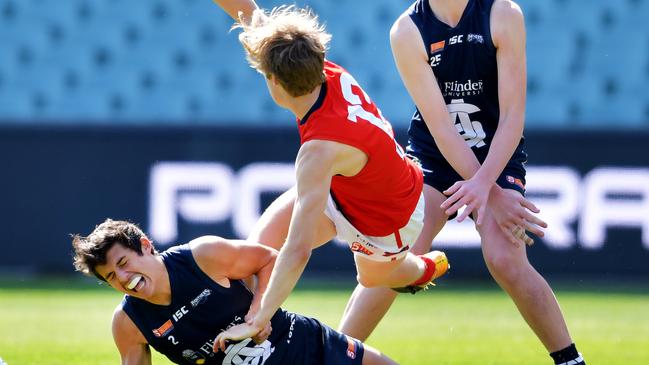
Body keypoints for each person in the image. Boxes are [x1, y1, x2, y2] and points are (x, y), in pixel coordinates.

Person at [336, 1, 586, 365]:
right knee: (394, 257)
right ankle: (335, 353)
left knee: (505, 260)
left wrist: (490, 186)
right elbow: (439, 127)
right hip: (435, 154)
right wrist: (491, 193)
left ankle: (570, 360)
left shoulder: (503, 14)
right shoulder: (407, 30)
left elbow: (513, 117)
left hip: (496, 155)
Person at [214, 5, 453, 344]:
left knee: (372, 277)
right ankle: (252, 336)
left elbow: (297, 251)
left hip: (390, 219)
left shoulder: (317, 152)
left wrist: (262, 316)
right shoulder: (319, 67)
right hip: (343, 186)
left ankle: (423, 268)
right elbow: (254, 17)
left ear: (274, 81)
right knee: (257, 251)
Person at [71, 219, 399, 365]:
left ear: (146, 246)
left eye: (125, 263)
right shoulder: (128, 323)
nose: (124, 278)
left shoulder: (202, 256)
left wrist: (258, 315)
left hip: (306, 346)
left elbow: (270, 259)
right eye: (112, 277)